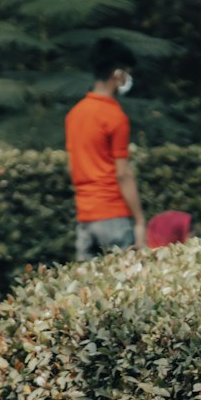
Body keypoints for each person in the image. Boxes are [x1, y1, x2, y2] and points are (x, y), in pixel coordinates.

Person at [65, 37, 147, 261]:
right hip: (113, 217)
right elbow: (123, 174)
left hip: (85, 218)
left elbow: (74, 168)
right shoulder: (115, 116)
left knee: (87, 292)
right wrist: (139, 221)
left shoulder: (75, 114)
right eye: (127, 72)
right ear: (118, 74)